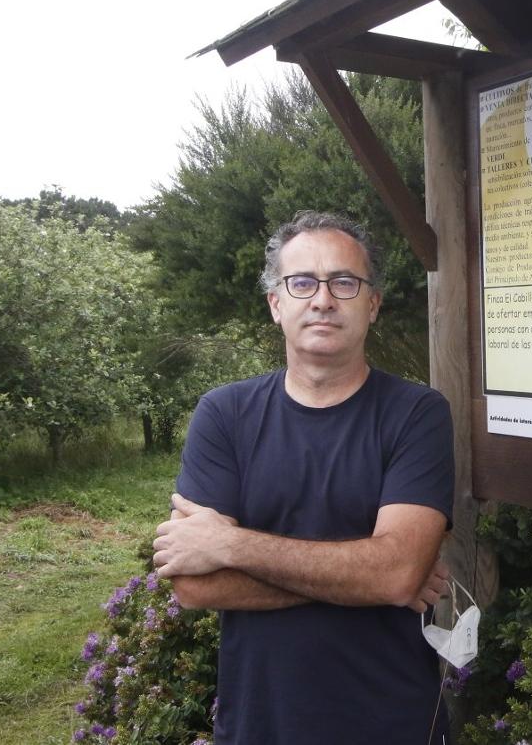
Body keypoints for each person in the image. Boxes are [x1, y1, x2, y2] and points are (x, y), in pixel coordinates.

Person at [151, 211, 455, 744]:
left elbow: (398, 575)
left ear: (372, 304)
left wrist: (230, 543)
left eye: (344, 282)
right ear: (276, 304)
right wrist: (372, 577)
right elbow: (196, 586)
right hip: (261, 722)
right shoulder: (223, 414)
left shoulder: (417, 414)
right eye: (302, 282)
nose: (322, 299)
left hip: (392, 720)